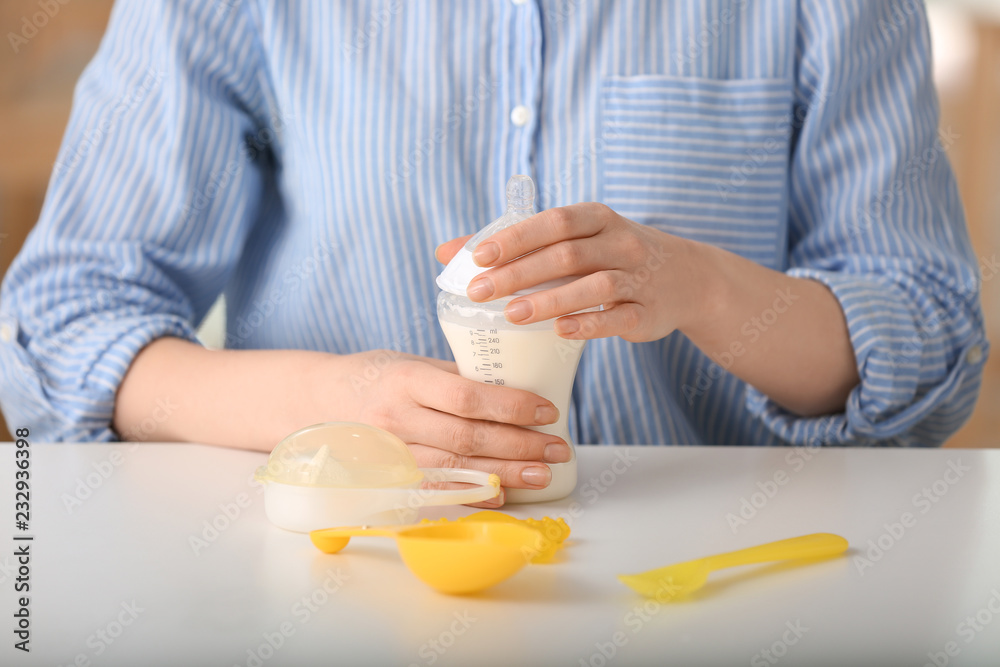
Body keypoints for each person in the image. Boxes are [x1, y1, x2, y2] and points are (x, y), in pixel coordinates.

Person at [0, 1, 988, 504]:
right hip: (338, 587)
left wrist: (700, 286)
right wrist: (337, 401)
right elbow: (58, 329)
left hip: (733, 592)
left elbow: (926, 344)